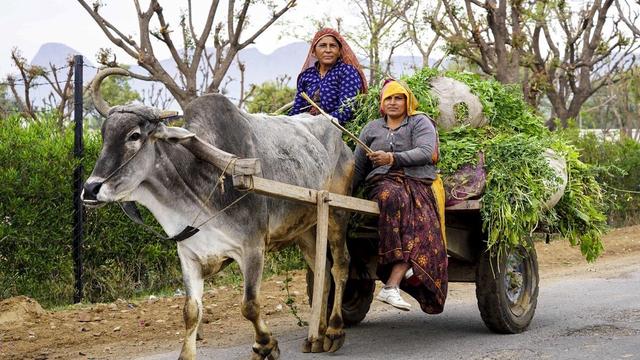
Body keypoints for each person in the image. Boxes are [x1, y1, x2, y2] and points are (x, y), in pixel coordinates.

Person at [352, 79, 448, 314]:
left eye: (399, 98)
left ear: (408, 102)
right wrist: (345, 198)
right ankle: (398, 277)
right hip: (383, 182)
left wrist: (392, 158)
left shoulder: (420, 122)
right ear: (382, 104)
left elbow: (426, 152)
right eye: (389, 99)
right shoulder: (371, 128)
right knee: (392, 196)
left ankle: (391, 285)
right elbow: (357, 167)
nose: (393, 103)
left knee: (423, 223)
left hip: (418, 182)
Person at [289, 28, 367, 125]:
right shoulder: (306, 76)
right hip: (306, 127)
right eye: (322, 46)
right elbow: (297, 108)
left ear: (339, 52)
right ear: (313, 51)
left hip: (336, 128)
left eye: (333, 46)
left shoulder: (347, 72)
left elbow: (347, 110)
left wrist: (316, 124)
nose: (328, 50)